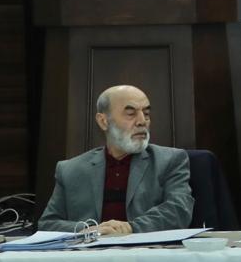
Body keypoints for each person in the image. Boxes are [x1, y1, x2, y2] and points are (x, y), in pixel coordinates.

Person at [38, 85, 195, 235]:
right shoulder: (70, 170)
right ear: (103, 121)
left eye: (146, 113)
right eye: (131, 114)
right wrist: (91, 229)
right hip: (89, 252)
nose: (142, 121)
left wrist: (130, 228)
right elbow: (48, 224)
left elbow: (179, 210)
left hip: (148, 251)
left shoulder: (170, 160)